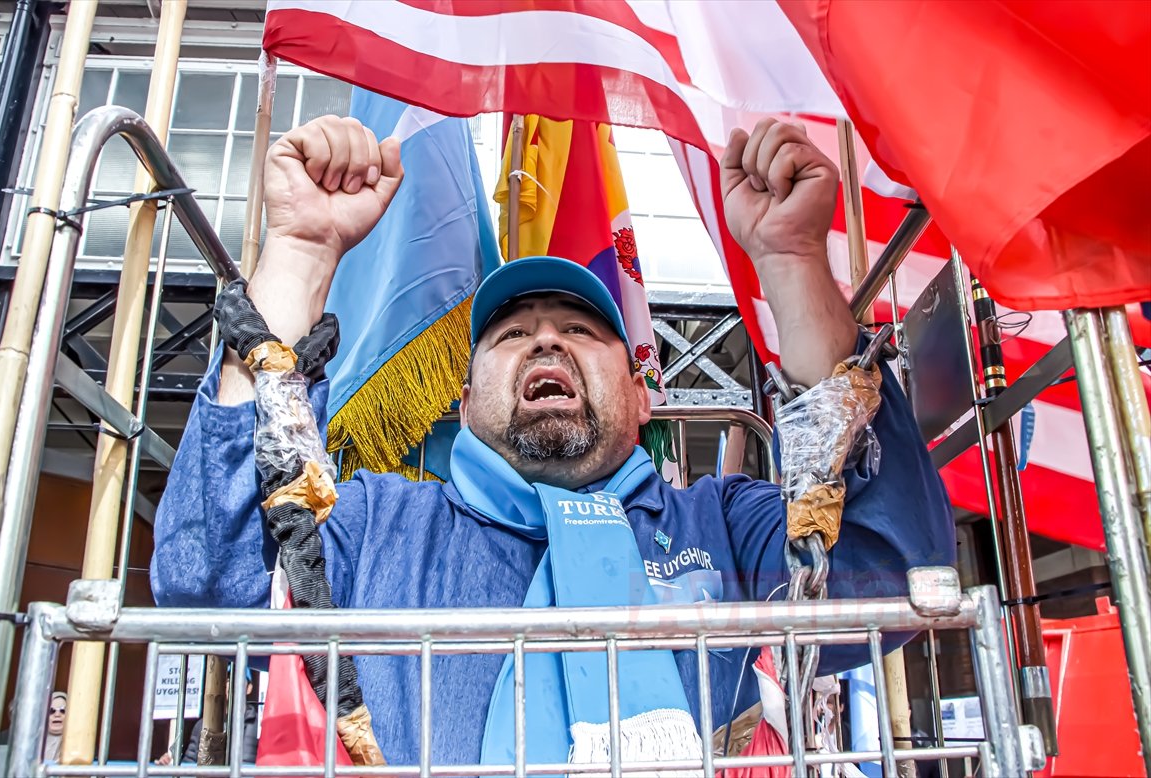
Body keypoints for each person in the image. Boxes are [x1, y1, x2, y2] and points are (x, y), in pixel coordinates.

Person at [151, 115, 954, 764]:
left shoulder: (723, 528)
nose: (546, 342)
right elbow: (207, 579)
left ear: (643, 396)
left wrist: (792, 260)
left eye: (579, 327)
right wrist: (298, 253)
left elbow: (898, 575)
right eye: (511, 335)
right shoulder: (376, 527)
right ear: (463, 405)